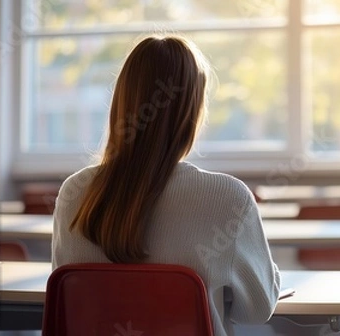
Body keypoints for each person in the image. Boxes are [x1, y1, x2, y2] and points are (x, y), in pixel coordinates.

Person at [52, 35, 280, 336]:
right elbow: (257, 310)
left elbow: (65, 301)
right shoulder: (229, 199)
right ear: (193, 112)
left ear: (121, 103)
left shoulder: (74, 192)